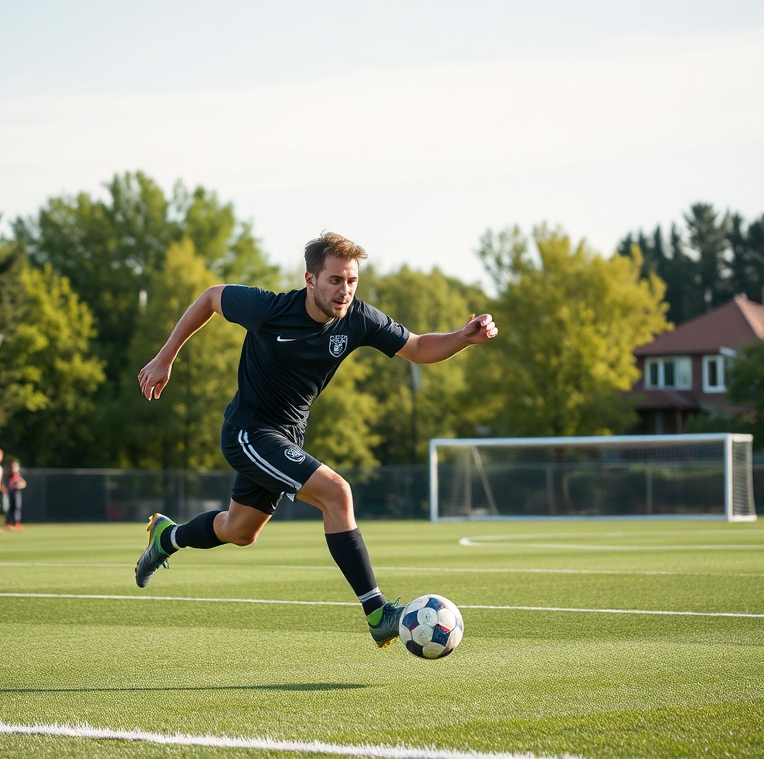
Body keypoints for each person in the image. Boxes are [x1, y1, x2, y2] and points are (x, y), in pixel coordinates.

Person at [135, 232, 497, 648]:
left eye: (351, 281)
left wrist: (462, 337)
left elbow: (417, 347)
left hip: (287, 437)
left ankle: (167, 537)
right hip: (248, 431)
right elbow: (211, 297)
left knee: (240, 531)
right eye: (335, 280)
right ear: (310, 280)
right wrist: (165, 357)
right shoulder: (269, 309)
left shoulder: (358, 318)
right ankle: (377, 613)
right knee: (337, 493)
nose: (345, 291)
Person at [4, 459, 26, 532]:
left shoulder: (17, 476)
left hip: (16, 493)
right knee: (9, 509)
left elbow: (24, 483)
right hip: (8, 494)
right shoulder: (7, 476)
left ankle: (17, 523)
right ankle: (8, 523)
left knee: (17, 508)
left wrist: (19, 485)